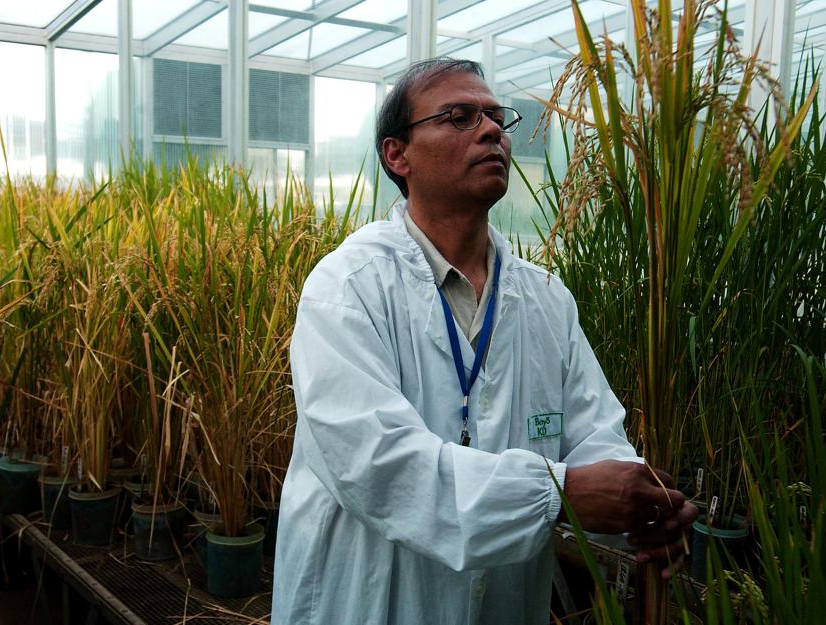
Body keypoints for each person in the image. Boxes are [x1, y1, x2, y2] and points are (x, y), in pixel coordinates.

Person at [271, 58, 697, 625]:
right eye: (459, 116)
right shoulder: (347, 288)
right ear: (397, 154)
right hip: (371, 601)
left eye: (497, 117)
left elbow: (594, 434)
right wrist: (558, 492)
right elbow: (377, 466)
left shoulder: (546, 299)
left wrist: (639, 500)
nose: (492, 129)